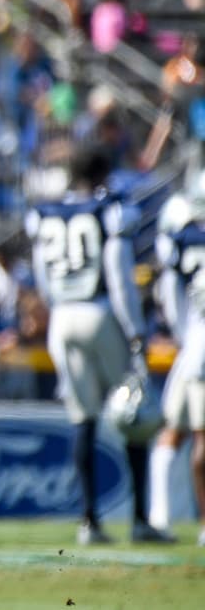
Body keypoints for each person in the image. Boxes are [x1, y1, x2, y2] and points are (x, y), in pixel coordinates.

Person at [25, 147, 175, 545]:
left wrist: (57, 307)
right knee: (135, 414)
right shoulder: (109, 210)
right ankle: (141, 520)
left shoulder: (47, 212)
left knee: (83, 419)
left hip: (63, 317)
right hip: (101, 311)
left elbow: (42, 274)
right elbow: (119, 274)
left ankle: (89, 520)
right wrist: (135, 330)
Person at [149, 180, 205, 546]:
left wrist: (187, 337)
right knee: (194, 434)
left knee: (174, 431)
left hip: (195, 344)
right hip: (198, 345)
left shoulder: (184, 238)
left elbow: (171, 291)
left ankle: (158, 516)